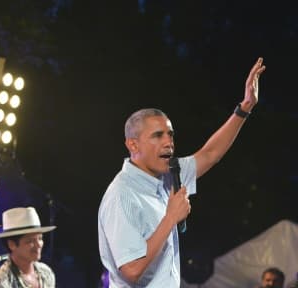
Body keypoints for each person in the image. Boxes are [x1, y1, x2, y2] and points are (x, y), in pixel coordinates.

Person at [98, 57, 266, 287]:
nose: (169, 142)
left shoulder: (169, 173)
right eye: (158, 135)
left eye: (170, 134)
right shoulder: (122, 195)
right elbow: (131, 270)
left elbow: (210, 154)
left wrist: (245, 107)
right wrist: (170, 218)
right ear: (133, 145)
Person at [0, 206, 56, 288]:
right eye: (30, 241)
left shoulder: (46, 272)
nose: (39, 244)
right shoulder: (0, 282)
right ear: (12, 245)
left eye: (40, 238)